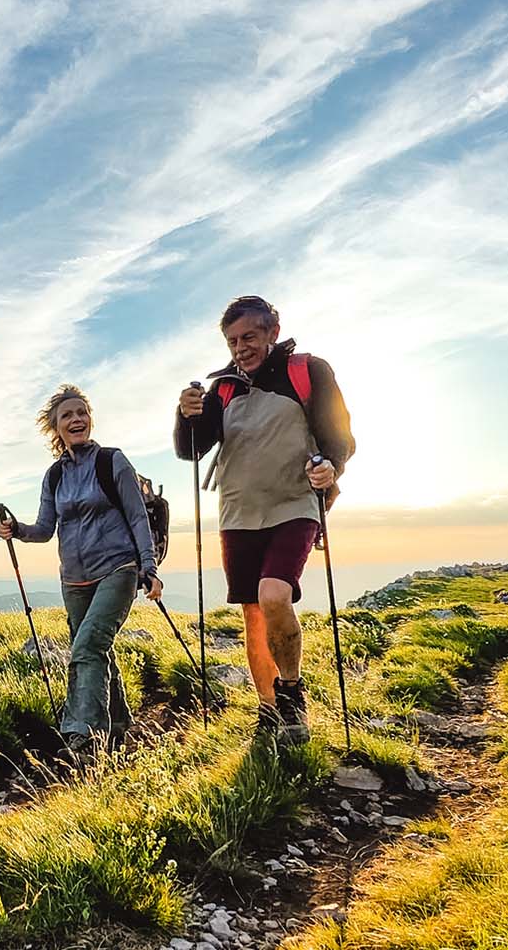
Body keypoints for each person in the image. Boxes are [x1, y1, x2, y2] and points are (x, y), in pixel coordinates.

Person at [174, 296, 353, 745]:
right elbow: (192, 449)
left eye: (249, 337)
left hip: (294, 503)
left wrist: (330, 465)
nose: (241, 348)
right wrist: (186, 416)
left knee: (274, 594)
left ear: (273, 331)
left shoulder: (308, 371)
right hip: (238, 511)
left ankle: (291, 692)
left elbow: (340, 437)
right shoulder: (224, 389)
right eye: (233, 341)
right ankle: (268, 710)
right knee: (254, 611)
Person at [0, 384, 162, 759]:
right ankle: (118, 729)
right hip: (73, 579)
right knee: (96, 648)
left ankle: (83, 736)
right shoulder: (54, 476)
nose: (77, 419)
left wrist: (147, 568)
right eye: (67, 415)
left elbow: (138, 517)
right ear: (56, 428)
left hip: (118, 568)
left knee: (87, 646)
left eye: (82, 412)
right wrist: (17, 529)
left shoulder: (112, 461)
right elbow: (43, 529)